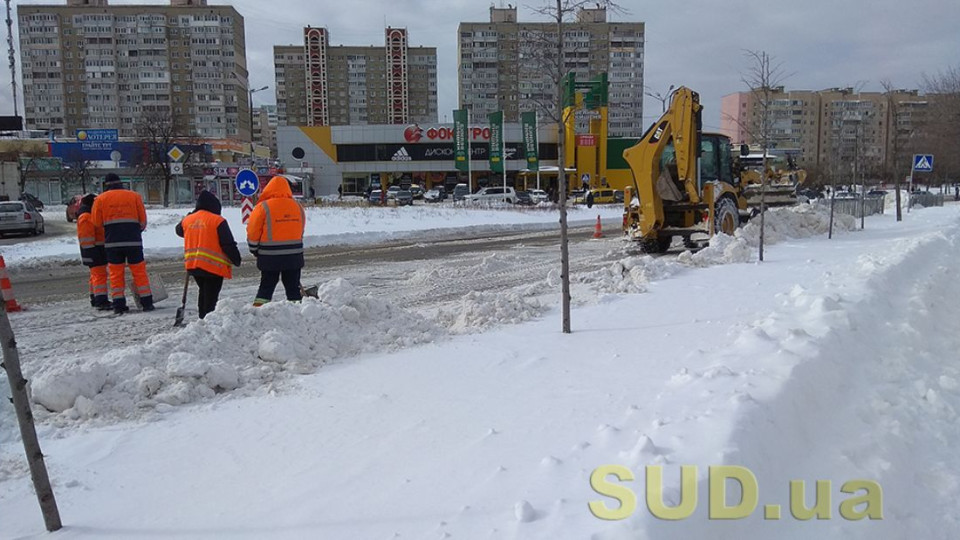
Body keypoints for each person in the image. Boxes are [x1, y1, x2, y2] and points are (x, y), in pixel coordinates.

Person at [92, 173, 152, 314]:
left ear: (106, 185)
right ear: (121, 183)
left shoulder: (100, 199)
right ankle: (147, 302)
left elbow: (96, 223)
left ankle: (119, 305)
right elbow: (143, 222)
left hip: (113, 243)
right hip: (134, 241)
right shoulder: (134, 196)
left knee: (116, 274)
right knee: (139, 272)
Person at [176, 190, 242, 319]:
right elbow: (228, 244)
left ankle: (202, 318)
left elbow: (179, 231)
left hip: (193, 265)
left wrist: (191, 215)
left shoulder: (188, 220)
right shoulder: (217, 220)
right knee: (211, 297)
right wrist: (236, 259)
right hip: (213, 267)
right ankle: (207, 321)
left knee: (204, 293)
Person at [247, 176, 305, 306]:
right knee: (293, 289)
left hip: (269, 257)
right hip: (294, 256)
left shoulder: (263, 207)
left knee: (266, 288)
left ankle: (258, 311)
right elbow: (301, 229)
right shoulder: (298, 206)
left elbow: (253, 231)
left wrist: (254, 249)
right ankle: (298, 313)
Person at [76, 194, 111, 310]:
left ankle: (95, 298)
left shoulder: (86, 214)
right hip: (94, 250)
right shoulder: (87, 216)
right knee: (99, 276)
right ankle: (101, 301)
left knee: (95, 276)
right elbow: (87, 237)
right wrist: (93, 251)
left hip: (93, 250)